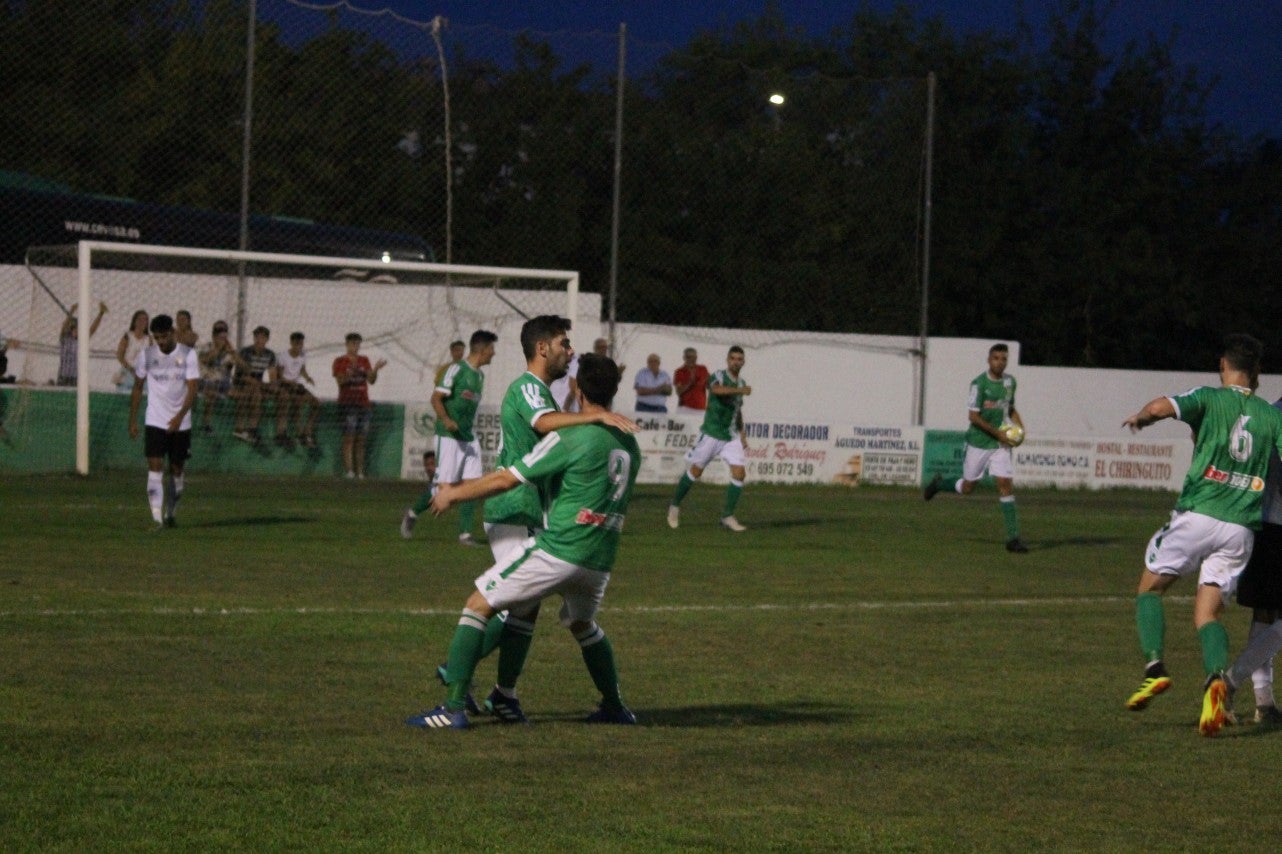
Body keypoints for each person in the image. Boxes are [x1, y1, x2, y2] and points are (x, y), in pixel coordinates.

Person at [406, 352, 641, 729]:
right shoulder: (629, 443)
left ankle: (452, 709)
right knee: (583, 626)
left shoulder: (572, 436)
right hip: (600, 561)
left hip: (560, 550)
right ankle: (613, 705)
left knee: (478, 603)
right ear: (614, 390)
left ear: (577, 388)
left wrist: (453, 493)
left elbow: (507, 478)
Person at [1120, 333, 1282, 737]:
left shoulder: (1209, 397)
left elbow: (1162, 406)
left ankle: (1154, 666)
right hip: (1241, 528)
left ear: (1223, 366)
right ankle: (1215, 683)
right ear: (1258, 373)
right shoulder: (1272, 416)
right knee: (1207, 613)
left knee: (1149, 589)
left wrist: (1143, 417)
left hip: (1198, 515)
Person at [923, 342, 1028, 553]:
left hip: (999, 444)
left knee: (1005, 485)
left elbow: (1011, 408)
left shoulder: (1010, 383)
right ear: (989, 360)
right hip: (978, 442)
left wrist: (1020, 428)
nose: (1000, 362)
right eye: (996, 358)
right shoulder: (979, 384)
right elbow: (973, 416)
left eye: (1004, 359)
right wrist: (997, 432)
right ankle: (939, 484)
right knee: (968, 488)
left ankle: (1013, 539)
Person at [401, 329, 498, 545]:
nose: (494, 353)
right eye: (492, 349)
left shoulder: (479, 375)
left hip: (468, 437)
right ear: (482, 350)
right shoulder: (456, 370)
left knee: (473, 485)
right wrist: (445, 419)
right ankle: (413, 513)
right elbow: (436, 398)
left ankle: (465, 534)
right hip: (449, 436)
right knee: (444, 488)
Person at [1225, 395, 1282, 726]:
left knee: (1266, 610)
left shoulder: (1268, 411)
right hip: (1276, 524)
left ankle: (1264, 702)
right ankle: (1229, 682)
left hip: (1261, 521)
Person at [666, 345, 752, 533]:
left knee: (740, 473)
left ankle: (727, 516)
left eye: (739, 359)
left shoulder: (741, 383)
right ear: (728, 360)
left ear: (743, 362)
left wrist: (742, 433)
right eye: (733, 358)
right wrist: (739, 391)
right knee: (695, 472)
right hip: (712, 433)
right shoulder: (719, 376)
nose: (736, 362)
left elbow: (737, 411)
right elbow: (716, 390)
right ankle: (674, 505)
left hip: (730, 436)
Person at [127, 314, 199, 529]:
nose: (161, 341)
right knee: (155, 468)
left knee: (176, 472)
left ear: (173, 333)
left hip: (181, 422)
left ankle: (171, 514)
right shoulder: (146, 355)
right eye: (157, 337)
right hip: (155, 420)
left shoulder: (188, 355)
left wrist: (179, 417)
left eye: (164, 336)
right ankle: (157, 519)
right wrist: (132, 420)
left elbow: (193, 388)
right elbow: (138, 386)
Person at [332, 332, 386, 479]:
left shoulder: (364, 360)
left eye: (357, 344)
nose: (355, 346)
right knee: (349, 437)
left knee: (362, 439)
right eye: (353, 343)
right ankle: (349, 470)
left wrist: (375, 369)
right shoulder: (340, 361)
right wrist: (352, 372)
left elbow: (371, 380)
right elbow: (340, 382)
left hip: (364, 403)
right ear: (347, 344)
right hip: (348, 403)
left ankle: (360, 471)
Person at [232, 325, 278, 444]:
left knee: (266, 393)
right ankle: (248, 428)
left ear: (267, 339)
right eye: (257, 337)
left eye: (262, 337)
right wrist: (261, 385)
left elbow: (272, 374)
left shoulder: (270, 354)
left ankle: (251, 429)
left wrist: (272, 385)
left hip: (257, 382)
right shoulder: (246, 352)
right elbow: (242, 375)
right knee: (255, 394)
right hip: (242, 380)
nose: (259, 340)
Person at [274, 331, 319, 448]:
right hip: (285, 385)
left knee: (316, 403)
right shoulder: (282, 356)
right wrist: (290, 383)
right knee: (292, 403)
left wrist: (308, 377)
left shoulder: (302, 355)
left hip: (296, 385)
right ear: (291, 343)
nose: (299, 346)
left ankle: (307, 432)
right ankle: (285, 433)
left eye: (301, 343)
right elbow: (279, 377)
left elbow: (302, 369)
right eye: (297, 343)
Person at [197, 321, 239, 435]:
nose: (222, 339)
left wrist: (232, 351)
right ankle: (206, 424)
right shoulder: (206, 347)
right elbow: (204, 359)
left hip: (222, 383)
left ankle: (240, 429)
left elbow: (238, 365)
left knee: (242, 395)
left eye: (224, 336)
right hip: (205, 381)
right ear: (213, 336)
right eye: (219, 336)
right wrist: (218, 349)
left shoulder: (228, 352)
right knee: (211, 391)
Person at [56, 301, 108, 386]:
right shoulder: (65, 339)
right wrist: (72, 311)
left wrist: (101, 313)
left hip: (76, 377)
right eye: (76, 329)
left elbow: (92, 329)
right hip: (63, 376)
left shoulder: (81, 341)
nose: (78, 331)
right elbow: (64, 326)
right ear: (71, 329)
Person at [114, 310, 151, 393]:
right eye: (140, 319)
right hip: (128, 372)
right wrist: (130, 369)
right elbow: (120, 355)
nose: (142, 322)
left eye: (145, 320)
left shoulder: (149, 339)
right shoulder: (127, 336)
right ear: (134, 321)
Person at [674, 347, 710, 413]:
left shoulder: (703, 369)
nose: (691, 359)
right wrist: (689, 383)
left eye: (693, 357)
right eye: (688, 357)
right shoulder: (679, 371)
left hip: (701, 408)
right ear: (684, 358)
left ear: (696, 358)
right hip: (684, 409)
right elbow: (678, 392)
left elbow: (709, 386)